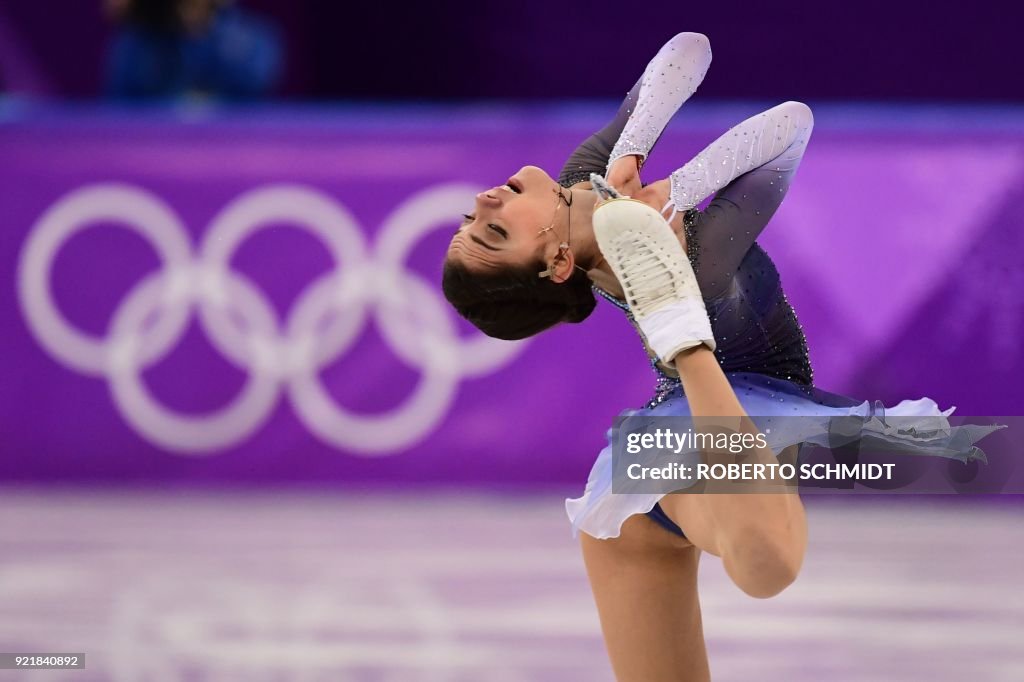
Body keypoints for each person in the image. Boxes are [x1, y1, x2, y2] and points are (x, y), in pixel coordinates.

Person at [442, 32, 1000, 680]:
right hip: (744, 402)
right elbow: (792, 125)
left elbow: (688, 51)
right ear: (560, 261)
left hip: (676, 430)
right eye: (494, 230)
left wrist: (637, 161)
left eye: (469, 217)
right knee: (757, 558)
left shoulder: (583, 177)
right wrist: (675, 194)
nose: (483, 200)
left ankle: (681, 340)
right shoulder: (702, 262)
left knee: (681, 533)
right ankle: (683, 337)